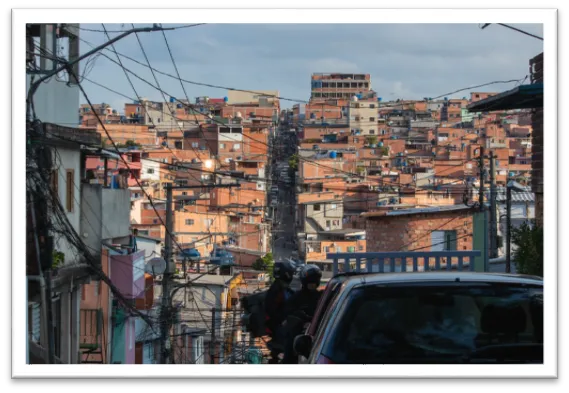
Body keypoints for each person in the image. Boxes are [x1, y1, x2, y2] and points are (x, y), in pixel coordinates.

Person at [281, 264, 323, 364]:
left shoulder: (321, 297)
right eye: (310, 282)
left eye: (314, 282)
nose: (312, 285)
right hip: (298, 333)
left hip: (319, 333)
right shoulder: (296, 298)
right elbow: (287, 313)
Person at [264, 260, 296, 360]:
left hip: (279, 327)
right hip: (280, 329)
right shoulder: (277, 291)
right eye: (291, 273)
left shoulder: (282, 288)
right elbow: (276, 310)